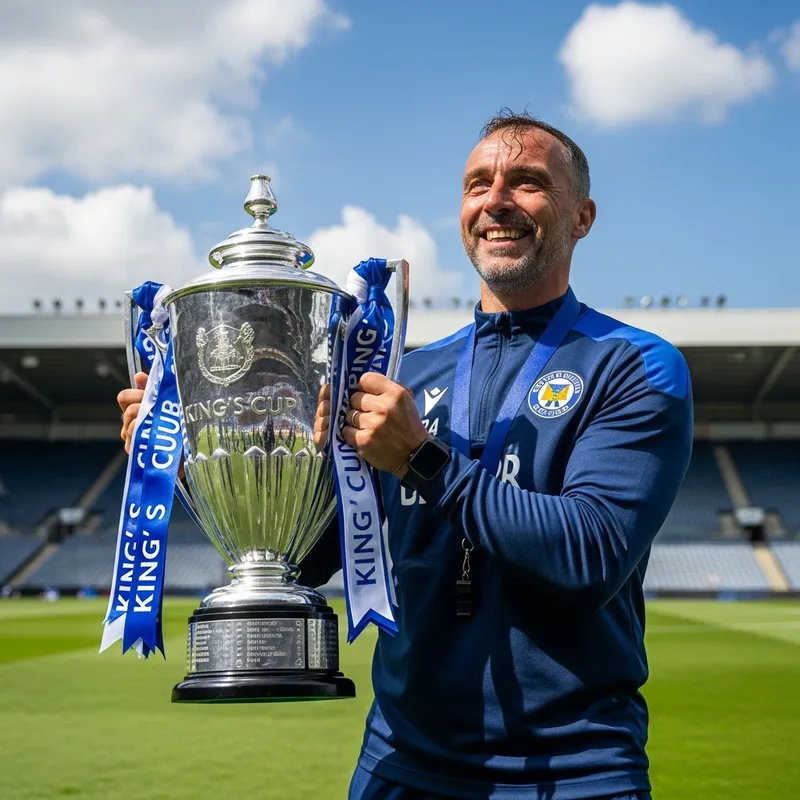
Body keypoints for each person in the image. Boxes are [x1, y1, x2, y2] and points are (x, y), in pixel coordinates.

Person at [118, 110, 693, 800]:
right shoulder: (404, 375)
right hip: (400, 765)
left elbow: (590, 555)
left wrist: (423, 458)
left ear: (581, 217)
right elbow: (307, 557)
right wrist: (195, 467)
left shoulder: (634, 366)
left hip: (570, 771)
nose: (497, 200)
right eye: (478, 184)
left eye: (529, 182)